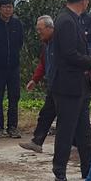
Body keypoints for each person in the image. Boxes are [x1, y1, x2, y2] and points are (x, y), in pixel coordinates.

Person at [50, 0, 91, 181]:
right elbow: (69, 54)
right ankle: (59, 168)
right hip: (68, 85)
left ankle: (89, 168)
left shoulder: (73, 19)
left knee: (84, 131)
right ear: (83, 0)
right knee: (66, 129)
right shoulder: (66, 21)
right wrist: (89, 61)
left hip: (80, 85)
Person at [0, 0, 24, 138]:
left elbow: (20, 43)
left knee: (14, 97)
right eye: (5, 7)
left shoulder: (17, 24)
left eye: (10, 7)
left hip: (14, 67)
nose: (8, 9)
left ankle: (12, 127)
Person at [21, 15, 57, 153]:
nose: (38, 32)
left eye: (40, 29)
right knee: (47, 113)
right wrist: (34, 80)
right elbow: (43, 64)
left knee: (69, 116)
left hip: (63, 85)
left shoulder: (59, 43)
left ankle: (77, 144)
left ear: (49, 28)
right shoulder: (46, 45)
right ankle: (37, 141)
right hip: (53, 84)